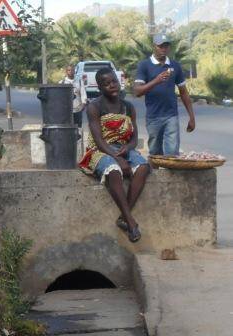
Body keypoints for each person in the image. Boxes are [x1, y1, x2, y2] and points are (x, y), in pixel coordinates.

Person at [79, 68, 150, 243]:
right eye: (107, 83)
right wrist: (117, 158)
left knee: (142, 167)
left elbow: (134, 137)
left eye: (114, 82)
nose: (112, 86)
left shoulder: (128, 107)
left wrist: (127, 149)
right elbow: (98, 139)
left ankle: (123, 218)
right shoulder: (94, 107)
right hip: (99, 149)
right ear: (100, 87)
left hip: (124, 148)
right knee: (114, 171)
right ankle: (131, 223)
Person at [134, 33, 196, 156]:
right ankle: (155, 175)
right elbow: (137, 91)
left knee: (172, 153)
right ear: (154, 46)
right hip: (153, 116)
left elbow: (183, 93)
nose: (163, 49)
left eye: (166, 46)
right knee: (155, 153)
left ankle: (170, 175)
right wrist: (156, 81)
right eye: (160, 46)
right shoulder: (144, 65)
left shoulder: (175, 66)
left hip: (171, 116)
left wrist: (192, 117)